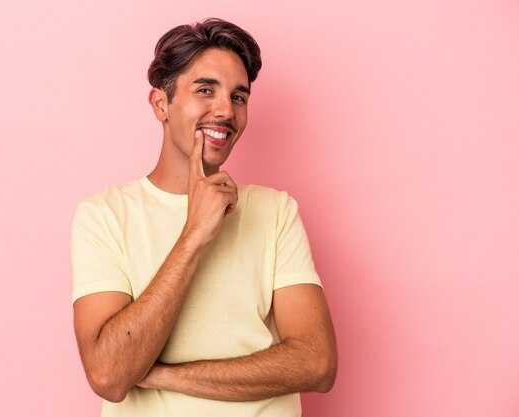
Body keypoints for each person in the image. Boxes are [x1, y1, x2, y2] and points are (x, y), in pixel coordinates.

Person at [71, 18, 337, 417]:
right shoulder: (104, 216)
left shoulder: (276, 211)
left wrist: (165, 376)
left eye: (239, 97)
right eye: (205, 90)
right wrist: (194, 234)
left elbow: (317, 364)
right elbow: (109, 374)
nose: (225, 111)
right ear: (161, 103)